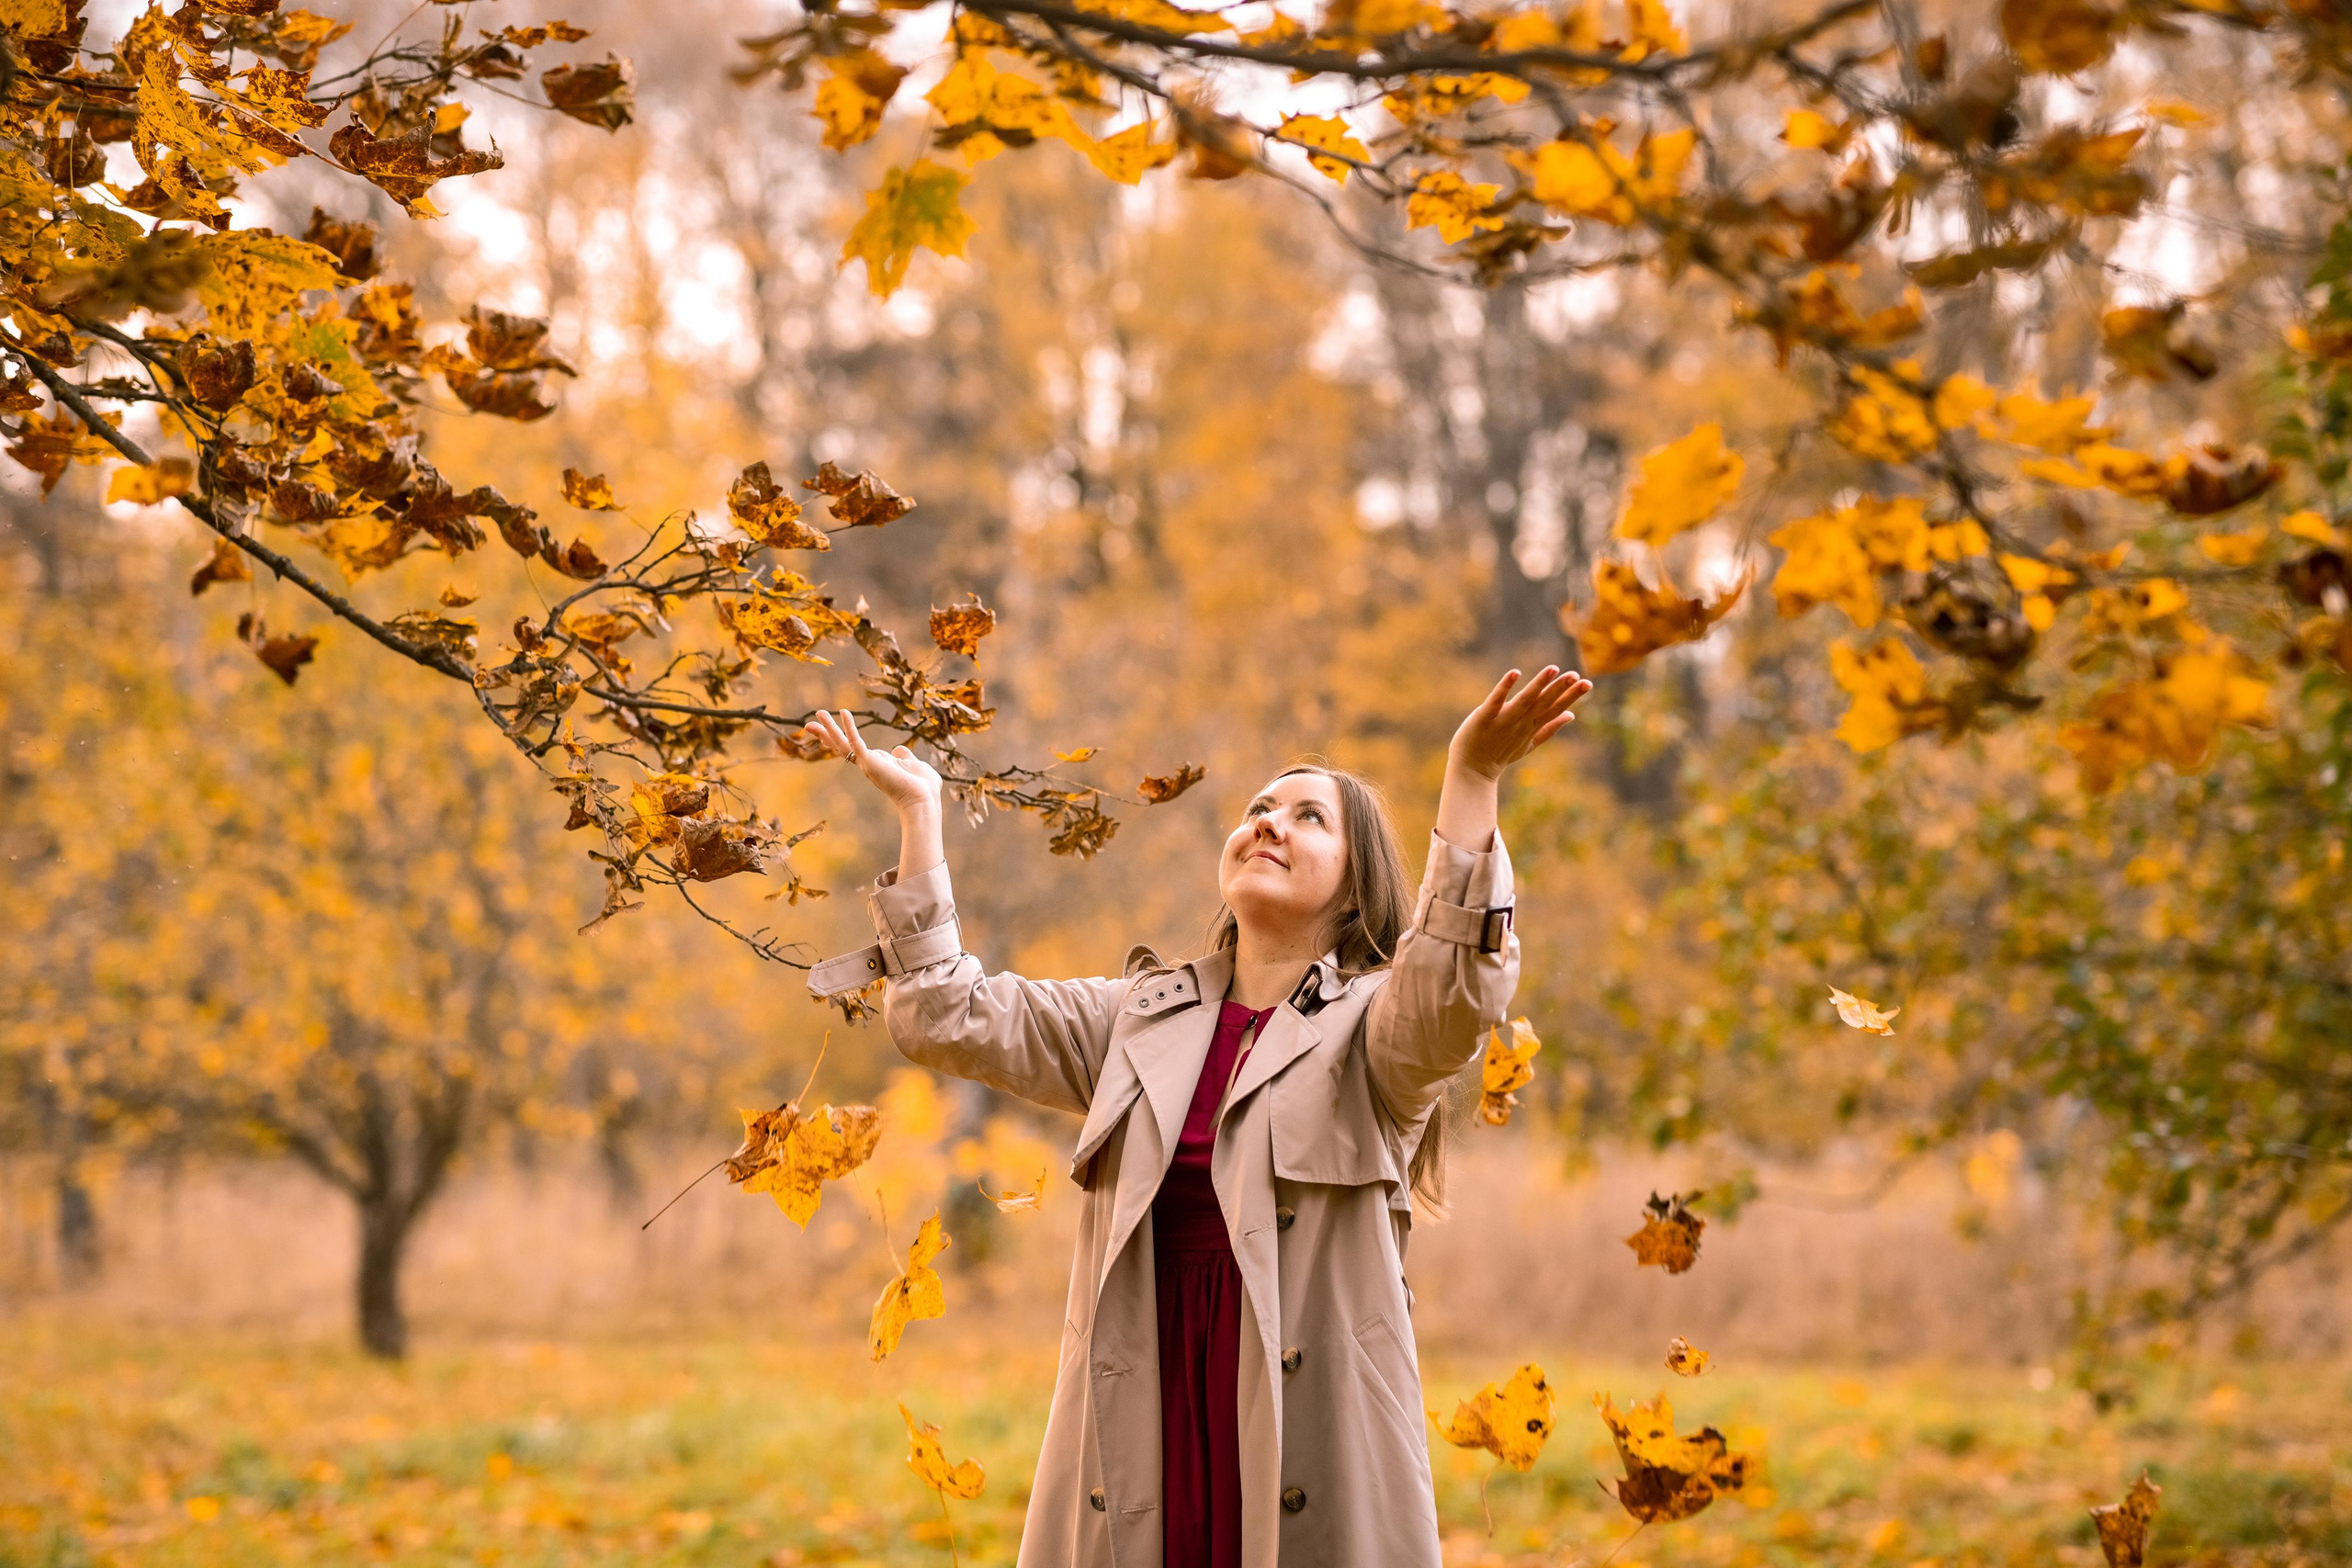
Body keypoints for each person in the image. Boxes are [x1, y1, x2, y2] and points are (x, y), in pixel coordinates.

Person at [802, 665, 1590, 1568]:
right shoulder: (1135, 1019)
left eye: (1308, 818)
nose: (1268, 823)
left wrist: (1472, 778)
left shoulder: (1375, 1035)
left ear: (1352, 886)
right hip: (1140, 1429)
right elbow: (944, 1015)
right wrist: (920, 818)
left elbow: (1452, 989)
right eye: (1259, 807)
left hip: (1305, 1439)